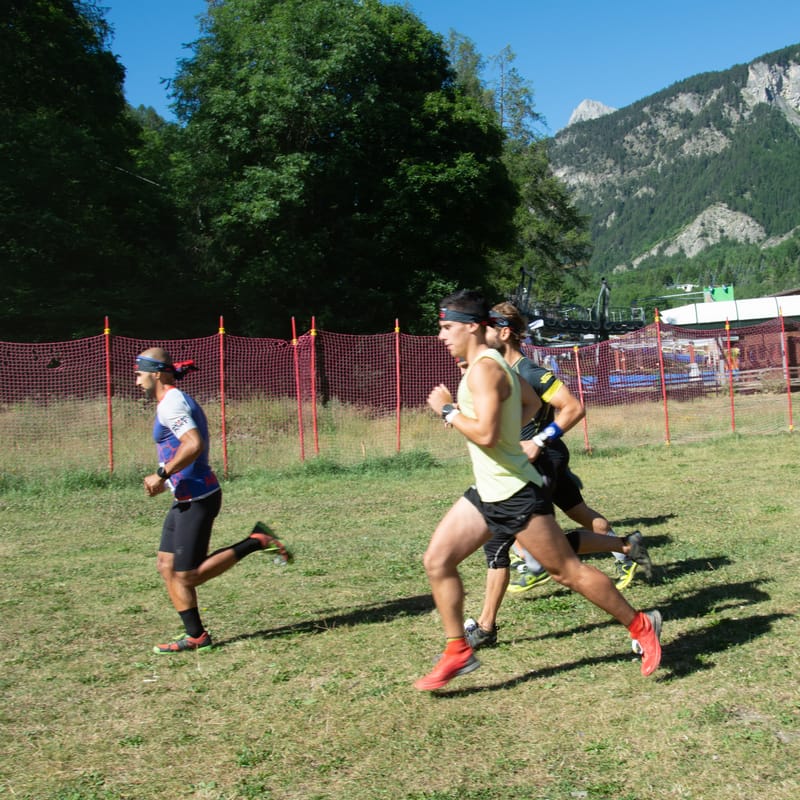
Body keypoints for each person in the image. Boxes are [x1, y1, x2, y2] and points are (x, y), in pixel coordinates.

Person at [414, 290, 661, 691]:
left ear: (472, 326)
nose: (442, 336)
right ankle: (458, 650)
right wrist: (507, 433)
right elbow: (527, 403)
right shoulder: (488, 365)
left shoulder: (484, 370)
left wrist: (448, 411)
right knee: (438, 561)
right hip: (488, 489)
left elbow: (489, 435)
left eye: (447, 327)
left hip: (513, 492)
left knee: (567, 572)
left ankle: (641, 624)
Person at [463, 302, 652, 650]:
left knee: (505, 542)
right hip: (530, 463)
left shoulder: (530, 372)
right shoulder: (496, 370)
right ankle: (627, 547)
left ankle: (491, 620)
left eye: (488, 327)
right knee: (577, 516)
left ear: (504, 332)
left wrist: (537, 441)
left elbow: (575, 408)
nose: (480, 332)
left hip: (541, 460)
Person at [135, 347, 293, 654]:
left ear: (156, 373)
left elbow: (193, 443)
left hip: (198, 496)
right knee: (166, 565)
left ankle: (258, 540)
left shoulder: (172, 404)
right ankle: (196, 636)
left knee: (188, 574)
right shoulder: (170, 401)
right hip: (185, 497)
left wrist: (161, 474)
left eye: (139, 372)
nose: (136, 378)